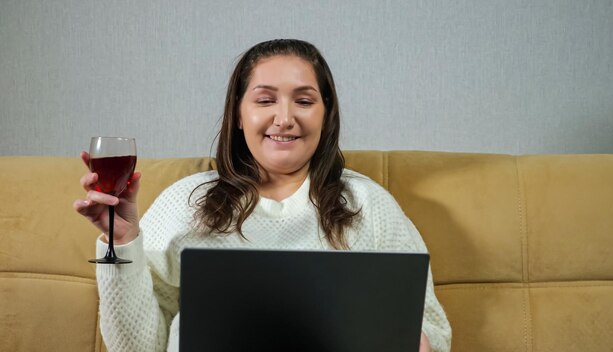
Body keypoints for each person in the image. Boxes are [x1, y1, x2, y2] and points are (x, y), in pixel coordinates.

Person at [74, 39, 452, 352]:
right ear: (239, 114)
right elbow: (138, 348)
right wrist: (121, 240)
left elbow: (431, 329)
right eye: (265, 100)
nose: (284, 118)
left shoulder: (369, 205)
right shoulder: (185, 202)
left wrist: (417, 343)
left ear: (326, 114)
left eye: (304, 101)